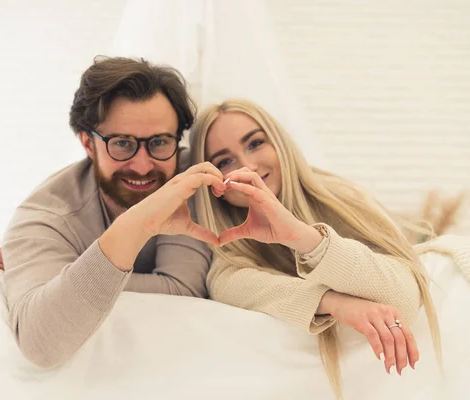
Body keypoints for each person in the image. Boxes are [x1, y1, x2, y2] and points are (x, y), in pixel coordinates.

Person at [188, 99, 441, 398]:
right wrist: (331, 301)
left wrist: (303, 237)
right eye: (224, 162)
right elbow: (226, 283)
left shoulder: (339, 198)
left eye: (255, 143)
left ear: (279, 142)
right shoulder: (227, 237)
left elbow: (404, 298)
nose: (248, 166)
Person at [0, 56, 228, 369]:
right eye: (122, 144)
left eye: (159, 142)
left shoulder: (190, 174)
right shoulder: (46, 216)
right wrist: (140, 224)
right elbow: (42, 345)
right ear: (87, 144)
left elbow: (182, 289)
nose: (143, 165)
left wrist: (68, 275)